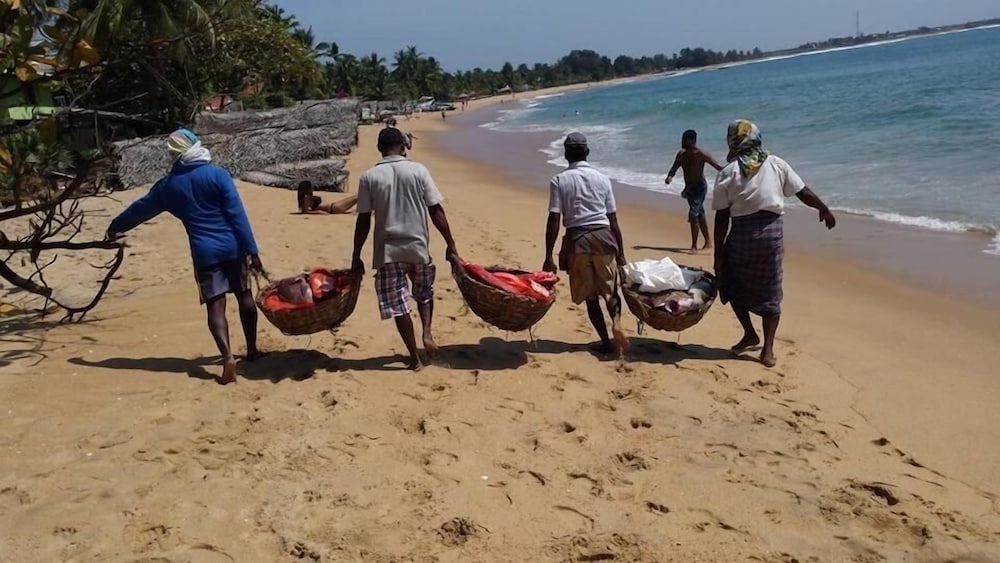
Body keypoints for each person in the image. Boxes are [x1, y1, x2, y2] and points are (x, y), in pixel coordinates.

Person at [107, 129, 264, 384]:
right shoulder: (218, 175)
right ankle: (253, 350)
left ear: (174, 154)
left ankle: (227, 357)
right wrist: (252, 250)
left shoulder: (168, 186)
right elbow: (237, 215)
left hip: (204, 252)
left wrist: (115, 227)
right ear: (195, 146)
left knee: (215, 305)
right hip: (233, 247)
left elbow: (140, 210)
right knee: (244, 296)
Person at [712, 120, 836, 368]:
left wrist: (719, 253)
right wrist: (823, 208)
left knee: (731, 284)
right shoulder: (776, 163)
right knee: (770, 290)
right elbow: (802, 191)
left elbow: (722, 218)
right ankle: (767, 349)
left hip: (741, 238)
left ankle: (750, 333)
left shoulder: (727, 173)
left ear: (732, 141)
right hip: (770, 237)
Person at [351, 127, 458, 371]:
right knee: (424, 292)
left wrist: (356, 255)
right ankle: (427, 332)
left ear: (379, 149)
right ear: (403, 146)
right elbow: (436, 211)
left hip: (387, 250)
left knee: (398, 304)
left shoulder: (369, 177)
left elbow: (363, 220)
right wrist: (451, 244)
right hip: (417, 244)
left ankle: (414, 358)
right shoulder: (418, 170)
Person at [543, 132, 628, 356]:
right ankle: (617, 322)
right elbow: (613, 219)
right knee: (611, 292)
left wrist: (548, 255)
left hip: (578, 243)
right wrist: (621, 254)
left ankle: (605, 341)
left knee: (591, 298)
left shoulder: (559, 180)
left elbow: (554, 219)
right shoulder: (603, 179)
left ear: (565, 155)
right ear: (587, 152)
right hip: (605, 239)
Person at [666, 129, 723, 254]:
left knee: (693, 214)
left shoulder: (701, 154)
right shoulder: (681, 155)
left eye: (684, 140)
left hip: (700, 188)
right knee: (699, 213)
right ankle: (708, 241)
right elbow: (674, 168)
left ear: (692, 141)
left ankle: (694, 246)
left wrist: (733, 173)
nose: (682, 142)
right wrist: (670, 176)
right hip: (689, 189)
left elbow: (717, 166)